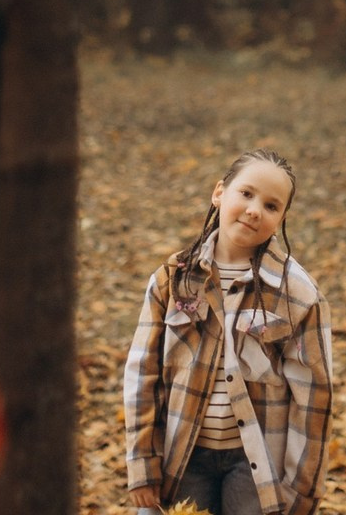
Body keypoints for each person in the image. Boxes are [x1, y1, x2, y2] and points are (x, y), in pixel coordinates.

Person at [123, 148, 333, 515]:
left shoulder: (297, 294)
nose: (255, 210)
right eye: (246, 194)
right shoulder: (172, 279)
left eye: (271, 206)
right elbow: (143, 374)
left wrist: (304, 490)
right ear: (220, 192)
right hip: (181, 457)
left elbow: (313, 397)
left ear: (282, 217)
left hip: (257, 465)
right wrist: (143, 462)